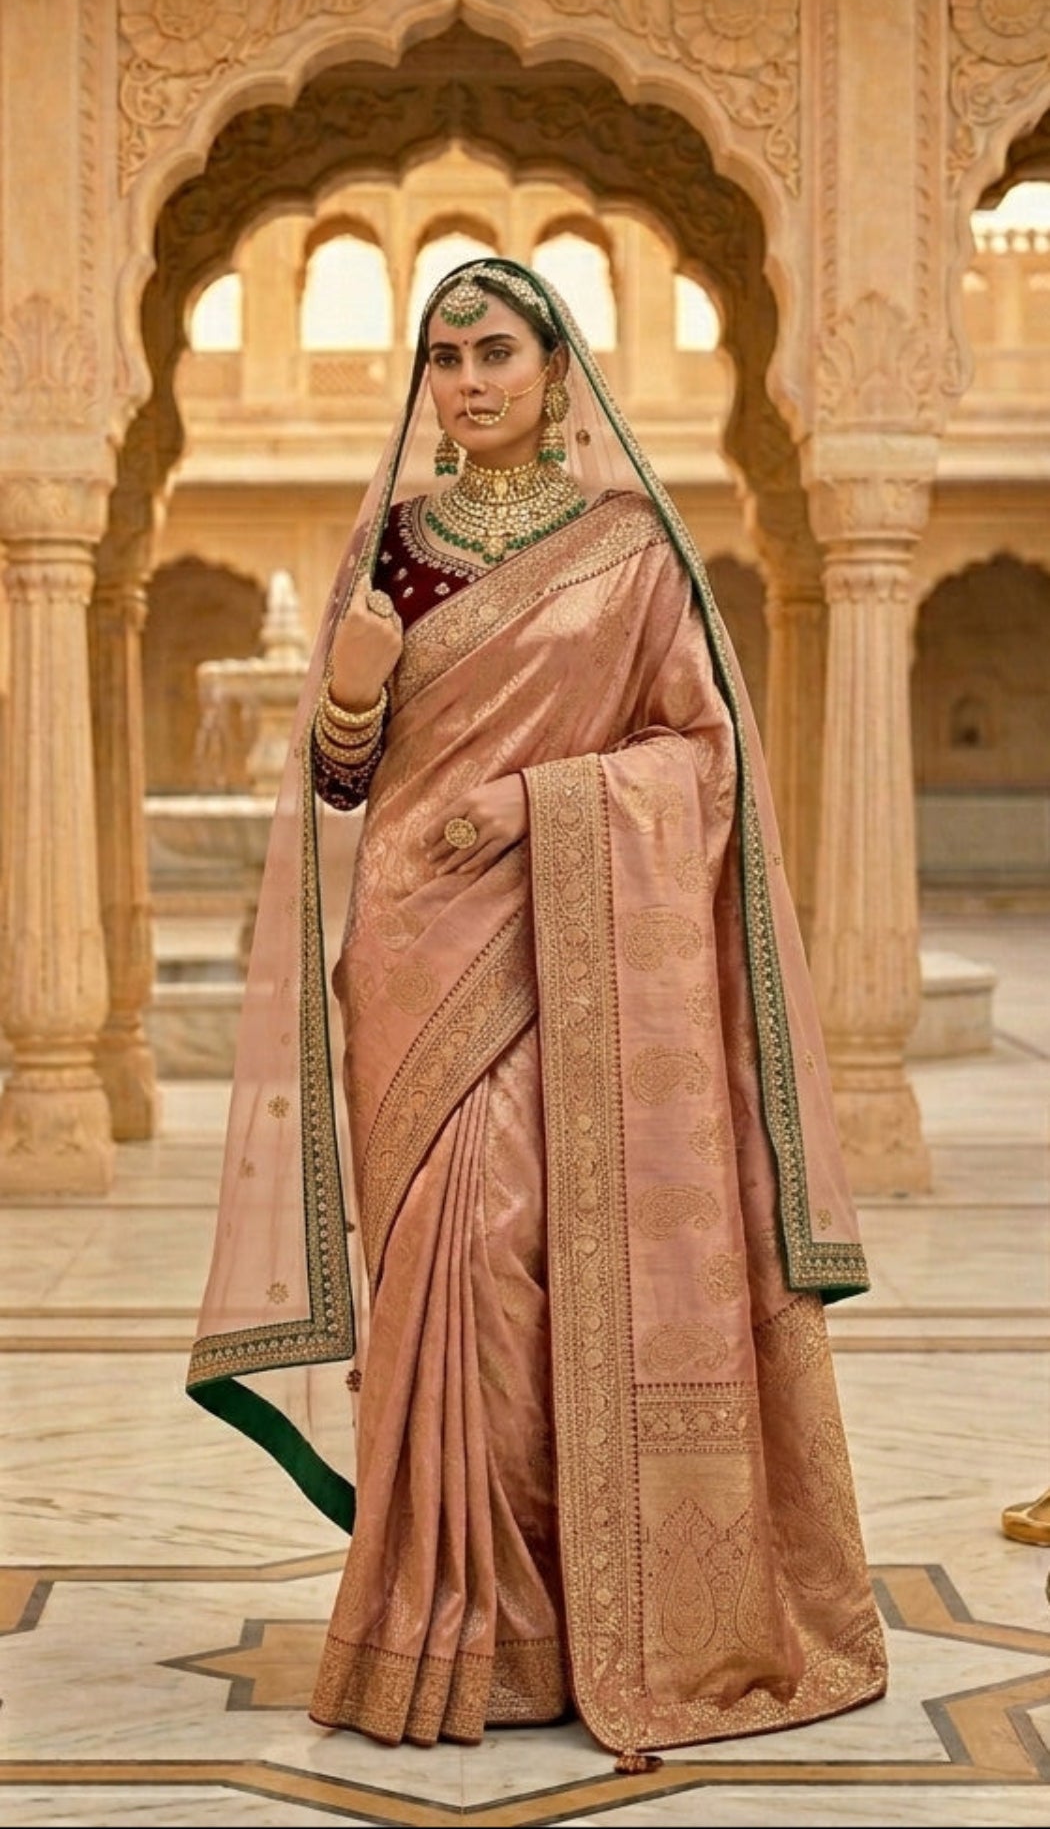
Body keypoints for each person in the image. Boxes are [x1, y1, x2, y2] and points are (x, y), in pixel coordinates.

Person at [187, 257, 888, 1767]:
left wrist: (533, 806)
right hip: (410, 958)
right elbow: (334, 786)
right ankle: (449, 1619)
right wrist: (357, 692)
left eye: (496, 351)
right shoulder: (387, 549)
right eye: (443, 359)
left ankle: (577, 1617)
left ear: (559, 370)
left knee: (517, 1267)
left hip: (562, 947)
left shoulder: (630, 554)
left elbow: (699, 763)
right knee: (436, 1280)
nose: (468, 380)